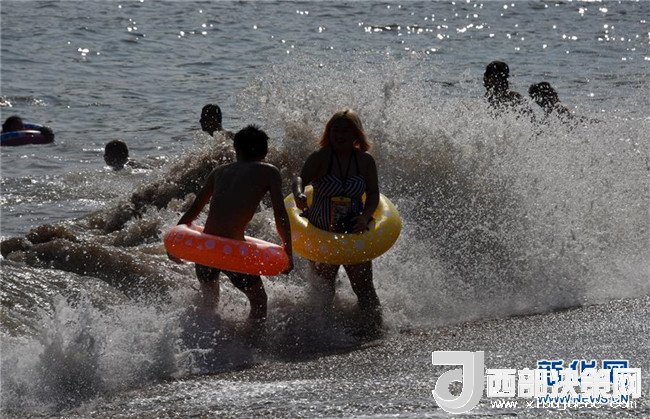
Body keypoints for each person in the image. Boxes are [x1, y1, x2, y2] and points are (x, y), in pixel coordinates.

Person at [173, 125, 294, 328]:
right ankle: (250, 342)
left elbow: (194, 209)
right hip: (233, 251)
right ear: (265, 152)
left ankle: (205, 335)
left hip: (206, 247)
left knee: (209, 301)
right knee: (259, 300)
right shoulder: (269, 172)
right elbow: (280, 214)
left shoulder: (219, 171)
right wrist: (288, 251)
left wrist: (176, 244)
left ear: (236, 149)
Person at [292, 108, 382, 336]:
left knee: (364, 288)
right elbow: (299, 179)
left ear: (356, 134)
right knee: (325, 291)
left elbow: (373, 194)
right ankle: (323, 336)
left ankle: (375, 333)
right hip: (322, 233)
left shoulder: (365, 161)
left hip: (354, 231)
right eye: (335, 130)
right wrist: (299, 194)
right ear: (328, 132)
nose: (339, 135)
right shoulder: (321, 157)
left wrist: (365, 217)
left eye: (345, 130)